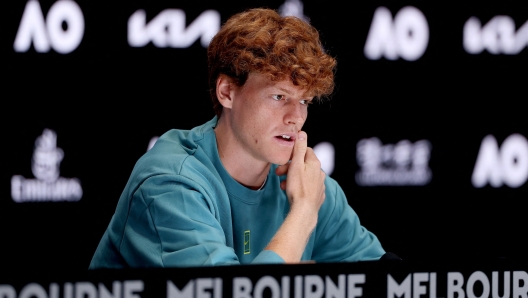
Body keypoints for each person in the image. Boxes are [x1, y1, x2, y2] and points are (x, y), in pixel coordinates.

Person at [89, 7, 385, 268]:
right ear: (227, 92)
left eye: (304, 101)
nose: (296, 117)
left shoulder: (306, 183)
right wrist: (304, 213)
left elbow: (389, 280)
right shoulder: (169, 183)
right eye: (279, 96)